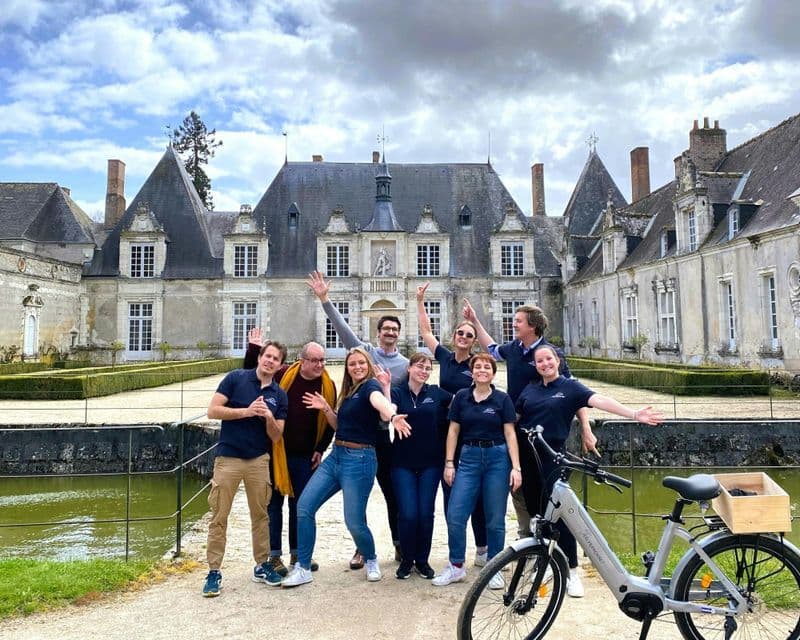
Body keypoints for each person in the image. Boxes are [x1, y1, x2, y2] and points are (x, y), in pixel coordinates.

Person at [515, 343, 663, 598]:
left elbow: (600, 400)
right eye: (539, 361)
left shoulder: (570, 387)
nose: (544, 364)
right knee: (539, 516)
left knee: (562, 517)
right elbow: (514, 420)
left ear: (557, 360)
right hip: (528, 460)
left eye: (548, 359)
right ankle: (547, 562)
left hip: (553, 460)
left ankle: (572, 571)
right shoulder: (530, 389)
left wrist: (633, 413)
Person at [462, 300, 596, 539]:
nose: (514, 323)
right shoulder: (514, 348)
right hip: (518, 428)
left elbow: (575, 392)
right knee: (521, 484)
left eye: (518, 321)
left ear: (532, 326)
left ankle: (555, 543)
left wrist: (586, 428)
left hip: (547, 434)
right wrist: (474, 320)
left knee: (550, 489)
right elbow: (491, 348)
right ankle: (529, 535)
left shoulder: (549, 355)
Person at [282, 347, 412, 588]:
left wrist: (393, 417)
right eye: (352, 363)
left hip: (360, 459)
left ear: (369, 365)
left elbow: (382, 405)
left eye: (361, 363)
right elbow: (339, 424)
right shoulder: (349, 392)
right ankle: (303, 566)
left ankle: (371, 558)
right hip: (336, 456)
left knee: (353, 521)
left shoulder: (370, 387)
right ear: (347, 368)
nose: (357, 367)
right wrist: (326, 409)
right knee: (304, 506)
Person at [307, 270, 407, 567]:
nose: (389, 333)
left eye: (394, 329)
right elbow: (342, 329)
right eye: (385, 328)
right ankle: (361, 548)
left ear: (398, 334)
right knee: (357, 498)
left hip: (385, 436)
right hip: (361, 437)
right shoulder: (365, 353)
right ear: (378, 333)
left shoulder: (403, 365)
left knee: (392, 494)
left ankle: (400, 545)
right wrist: (325, 299)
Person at [242, 329, 337, 576]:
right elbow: (253, 374)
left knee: (301, 506)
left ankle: (298, 552)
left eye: (322, 360)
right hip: (275, 452)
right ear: (302, 361)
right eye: (315, 360)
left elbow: (329, 422)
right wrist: (254, 348)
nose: (320, 365)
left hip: (305, 456)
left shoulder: (328, 385)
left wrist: (320, 449)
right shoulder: (284, 374)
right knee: (274, 506)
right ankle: (274, 556)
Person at [202, 340, 289, 597]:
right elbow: (212, 411)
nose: (270, 361)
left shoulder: (279, 395)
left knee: (261, 516)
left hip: (258, 460)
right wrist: (247, 411)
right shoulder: (236, 378)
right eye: (267, 356)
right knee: (219, 516)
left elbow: (277, 436)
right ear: (260, 356)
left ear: (280, 365)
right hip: (228, 458)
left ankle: (262, 565)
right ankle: (214, 570)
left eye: (275, 359)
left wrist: (268, 417)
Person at [432, 353, 521, 589]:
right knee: (456, 515)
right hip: (469, 458)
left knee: (495, 518)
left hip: (497, 458)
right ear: (472, 372)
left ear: (493, 372)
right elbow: (453, 432)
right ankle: (456, 566)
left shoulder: (502, 399)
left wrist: (516, 468)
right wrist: (449, 463)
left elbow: (510, 434)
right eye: (478, 366)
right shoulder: (462, 397)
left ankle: (494, 567)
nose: (482, 370)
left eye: (487, 367)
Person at [416, 282, 489, 568]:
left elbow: (491, 351)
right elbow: (425, 332)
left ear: (472, 341)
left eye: (468, 335)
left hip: (468, 433)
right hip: (443, 432)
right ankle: (455, 555)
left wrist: (475, 320)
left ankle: (482, 549)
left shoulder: (477, 364)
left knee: (477, 496)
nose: (463, 336)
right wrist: (420, 301)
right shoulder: (444, 357)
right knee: (450, 496)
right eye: (460, 332)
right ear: (454, 336)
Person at [390, 353, 452, 580]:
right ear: (409, 368)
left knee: (426, 513)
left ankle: (422, 560)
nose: (424, 371)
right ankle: (407, 559)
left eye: (428, 368)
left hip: (431, 463)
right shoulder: (397, 392)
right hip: (402, 462)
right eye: (419, 366)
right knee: (408, 513)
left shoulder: (435, 393)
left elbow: (462, 401)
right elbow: (389, 406)